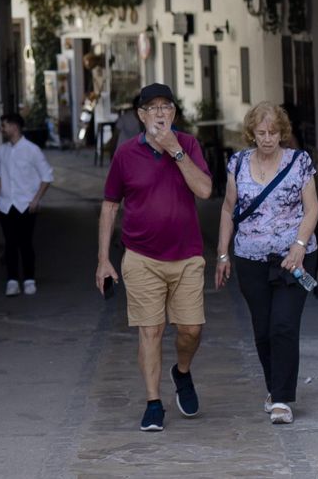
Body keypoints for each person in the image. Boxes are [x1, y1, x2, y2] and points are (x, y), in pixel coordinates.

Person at [96, 83, 213, 432]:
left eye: (166, 107)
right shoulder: (126, 154)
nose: (160, 113)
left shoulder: (188, 145)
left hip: (187, 256)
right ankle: (153, 403)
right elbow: (109, 206)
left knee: (191, 329)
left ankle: (182, 371)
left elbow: (205, 190)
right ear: (141, 115)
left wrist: (176, 150)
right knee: (150, 330)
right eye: (153, 108)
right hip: (142, 257)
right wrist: (103, 259)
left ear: (174, 113)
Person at [214, 102, 318, 426]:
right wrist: (222, 254)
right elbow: (228, 209)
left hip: (293, 259)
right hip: (251, 259)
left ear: (282, 132)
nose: (268, 138)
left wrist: (299, 246)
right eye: (261, 132)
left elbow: (312, 208)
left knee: (283, 325)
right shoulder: (238, 164)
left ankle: (282, 399)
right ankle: (275, 388)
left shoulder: (299, 162)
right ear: (252, 133)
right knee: (262, 329)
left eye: (273, 132)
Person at [0, 112, 53, 296]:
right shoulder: (2, 150)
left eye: (4, 126)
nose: (2, 129)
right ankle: (12, 280)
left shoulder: (32, 150)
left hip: (26, 205)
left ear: (14, 127)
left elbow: (47, 176)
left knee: (25, 243)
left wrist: (36, 199)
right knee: (10, 243)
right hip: (5, 205)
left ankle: (29, 279)